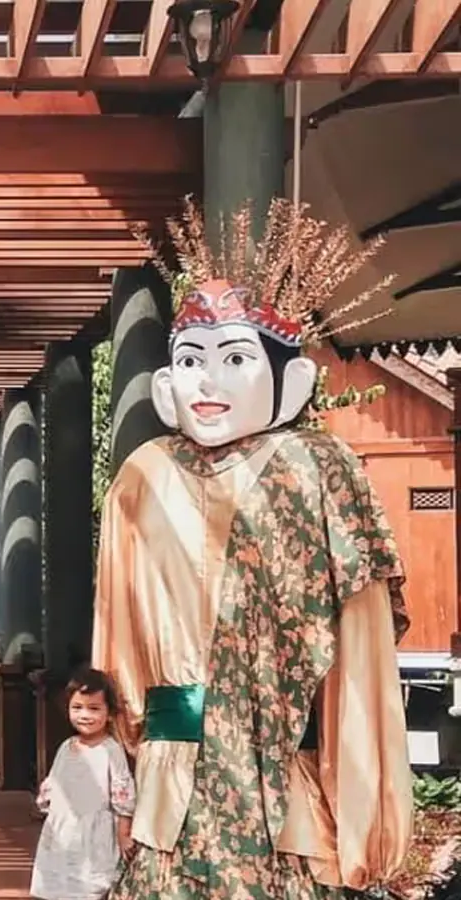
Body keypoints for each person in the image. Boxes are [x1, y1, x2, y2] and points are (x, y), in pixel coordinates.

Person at [96, 197, 412, 898]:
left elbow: (361, 658)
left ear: (291, 381)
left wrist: (366, 822)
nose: (208, 381)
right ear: (168, 383)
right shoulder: (142, 476)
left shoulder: (322, 470)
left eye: (235, 357)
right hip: (171, 785)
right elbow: (115, 641)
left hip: (285, 786)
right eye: (191, 360)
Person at [30, 668, 136, 900]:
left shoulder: (111, 750)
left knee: (89, 886)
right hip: (62, 831)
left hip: (94, 834)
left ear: (109, 713)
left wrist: (123, 833)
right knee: (58, 885)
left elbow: (122, 795)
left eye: (94, 708)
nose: (85, 715)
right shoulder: (66, 747)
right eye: (77, 708)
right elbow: (53, 785)